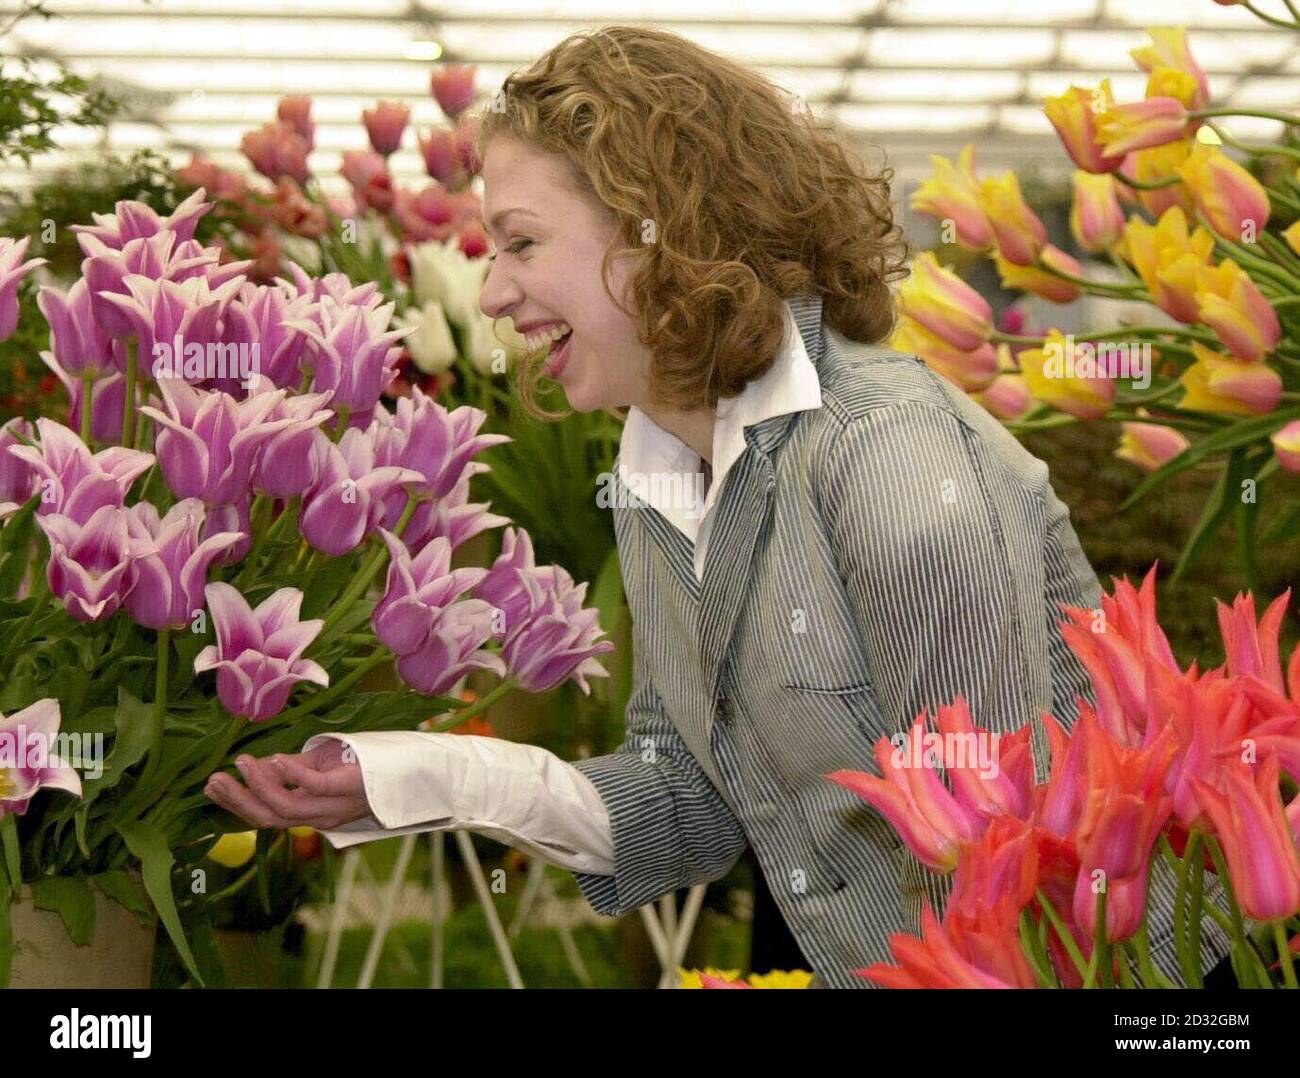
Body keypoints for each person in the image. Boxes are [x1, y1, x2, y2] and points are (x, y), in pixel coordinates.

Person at [203, 25, 1225, 988]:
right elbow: (689, 798)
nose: (492, 295)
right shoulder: (657, 470)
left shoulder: (891, 463)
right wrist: (416, 779)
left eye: (520, 243)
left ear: (664, 227)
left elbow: (998, 849)